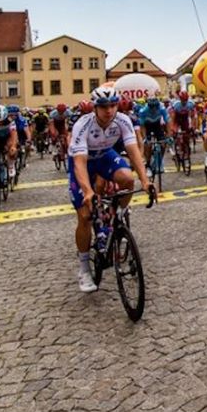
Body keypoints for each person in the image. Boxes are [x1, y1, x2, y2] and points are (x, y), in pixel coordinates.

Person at [69, 87, 152, 292]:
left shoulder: (122, 120)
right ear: (95, 108)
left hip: (104, 155)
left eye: (113, 105)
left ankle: (118, 213)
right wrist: (88, 191)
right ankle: (84, 267)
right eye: (104, 106)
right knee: (85, 216)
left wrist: (146, 180)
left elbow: (133, 152)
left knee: (127, 179)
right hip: (84, 162)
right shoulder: (83, 125)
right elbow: (79, 163)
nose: (109, 110)